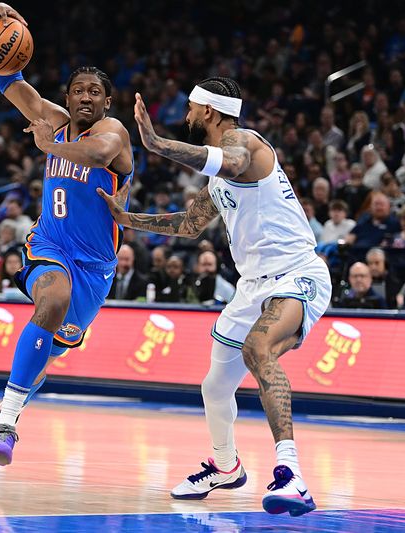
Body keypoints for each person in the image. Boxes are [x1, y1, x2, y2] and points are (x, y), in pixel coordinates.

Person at [99, 77, 331, 516]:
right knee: (215, 386)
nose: (186, 116)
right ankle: (226, 467)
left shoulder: (246, 143)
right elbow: (188, 224)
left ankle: (292, 475)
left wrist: (157, 143)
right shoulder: (222, 179)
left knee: (258, 349)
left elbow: (232, 159)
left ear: (208, 111)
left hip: (296, 274)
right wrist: (126, 217)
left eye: (190, 108)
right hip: (252, 286)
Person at [0, 3, 134, 471]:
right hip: (50, 245)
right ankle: (5, 421)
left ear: (107, 102)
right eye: (78, 90)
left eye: (95, 92)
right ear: (68, 97)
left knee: (51, 349)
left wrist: (49, 146)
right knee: (52, 299)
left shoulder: (114, 132)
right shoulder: (56, 120)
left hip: (96, 267)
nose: (86, 96)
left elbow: (97, 155)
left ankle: (6, 412)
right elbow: (9, 83)